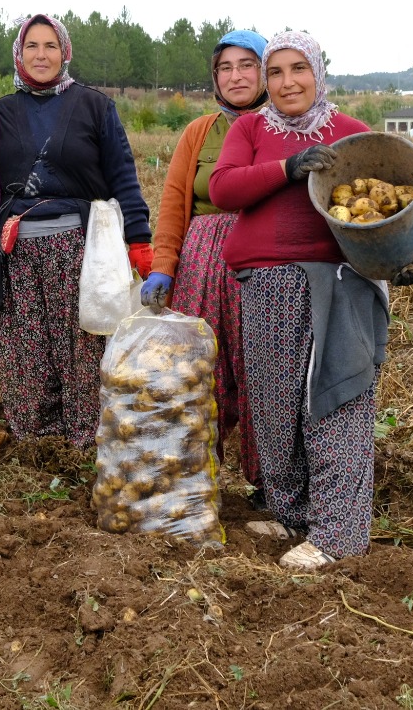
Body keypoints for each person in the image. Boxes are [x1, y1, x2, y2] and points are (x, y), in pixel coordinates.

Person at [209, 29, 413, 572]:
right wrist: (288, 166)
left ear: (318, 73)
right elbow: (224, 189)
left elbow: (396, 204)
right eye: (275, 72)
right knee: (275, 407)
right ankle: (291, 511)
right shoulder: (252, 128)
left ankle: (337, 536)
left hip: (338, 285)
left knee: (336, 400)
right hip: (265, 285)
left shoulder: (351, 137)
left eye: (297, 69)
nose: (286, 83)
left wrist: (407, 258)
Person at [0, 14, 152, 449]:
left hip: (80, 247)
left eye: (50, 46)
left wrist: (138, 238)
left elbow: (123, 175)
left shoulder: (94, 106)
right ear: (19, 53)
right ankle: (36, 440)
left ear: (65, 52)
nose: (41, 55)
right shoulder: (2, 111)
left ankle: (86, 440)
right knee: (25, 344)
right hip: (17, 250)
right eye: (32, 46)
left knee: (81, 345)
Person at [140, 29, 268, 489]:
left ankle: (266, 482)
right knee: (199, 369)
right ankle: (196, 474)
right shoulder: (200, 132)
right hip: (202, 263)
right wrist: (162, 265)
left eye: (247, 65)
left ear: (265, 70)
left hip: (263, 263)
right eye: (226, 68)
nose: (236, 76)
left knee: (259, 372)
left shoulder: (281, 127)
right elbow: (175, 202)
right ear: (215, 77)